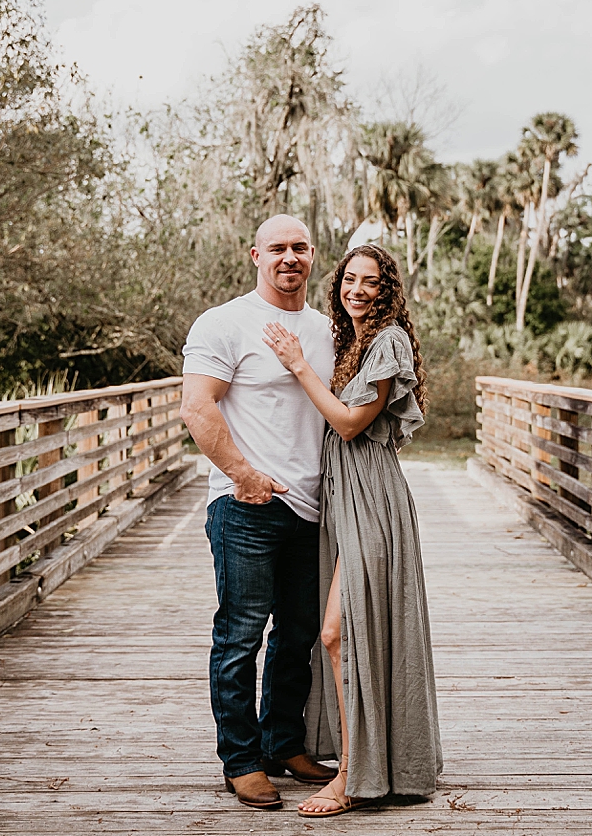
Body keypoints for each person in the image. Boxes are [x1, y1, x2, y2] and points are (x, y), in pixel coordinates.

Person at [260, 244, 442, 819]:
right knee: (344, 628)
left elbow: (347, 421)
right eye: (349, 280)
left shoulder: (387, 342)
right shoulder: (349, 343)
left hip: (373, 496)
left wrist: (295, 362)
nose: (356, 290)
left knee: (339, 630)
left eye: (370, 282)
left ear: (387, 290)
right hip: (341, 496)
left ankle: (349, 776)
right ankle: (366, 758)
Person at [179, 215, 339, 810]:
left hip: (311, 508)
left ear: (312, 255)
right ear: (255, 255)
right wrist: (243, 476)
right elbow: (198, 407)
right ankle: (241, 761)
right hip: (245, 505)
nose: (289, 257)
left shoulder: (327, 329)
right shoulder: (224, 323)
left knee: (297, 636)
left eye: (299, 248)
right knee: (241, 634)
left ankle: (283, 744)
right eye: (277, 248)